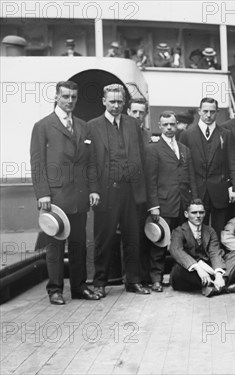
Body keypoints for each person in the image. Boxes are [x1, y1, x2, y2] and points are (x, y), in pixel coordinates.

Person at [30, 81, 100, 304]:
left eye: (73, 97)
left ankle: (79, 288)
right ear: (57, 97)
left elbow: (90, 162)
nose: (70, 101)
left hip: (80, 196)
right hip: (56, 198)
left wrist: (93, 189)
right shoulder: (43, 126)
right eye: (65, 97)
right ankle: (55, 289)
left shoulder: (83, 126)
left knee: (79, 244)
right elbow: (38, 163)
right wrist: (43, 194)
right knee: (55, 246)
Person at [87, 84, 150, 297]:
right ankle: (99, 283)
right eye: (112, 101)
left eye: (119, 102)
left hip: (131, 191)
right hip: (106, 192)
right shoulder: (92, 126)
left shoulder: (133, 124)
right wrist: (93, 190)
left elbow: (141, 157)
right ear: (104, 101)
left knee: (133, 238)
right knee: (103, 239)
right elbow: (91, 162)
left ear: (125, 103)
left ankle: (133, 281)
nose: (116, 105)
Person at [145, 111, 196, 292]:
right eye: (165, 125)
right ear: (160, 126)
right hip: (164, 204)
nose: (169, 128)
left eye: (172, 124)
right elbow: (150, 180)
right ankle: (156, 279)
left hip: (183, 204)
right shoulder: (153, 149)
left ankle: (179, 277)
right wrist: (154, 206)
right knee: (159, 243)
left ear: (176, 125)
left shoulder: (184, 149)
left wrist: (194, 203)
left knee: (182, 243)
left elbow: (191, 178)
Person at [179, 97, 235, 235]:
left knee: (220, 230)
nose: (208, 115)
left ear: (217, 112)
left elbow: (233, 162)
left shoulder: (226, 134)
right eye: (205, 111)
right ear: (199, 111)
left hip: (220, 190)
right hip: (196, 191)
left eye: (212, 111)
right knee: (197, 230)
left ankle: (218, 255)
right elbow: (182, 167)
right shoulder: (186, 135)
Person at [170, 199, 235, 297]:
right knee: (178, 269)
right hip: (191, 274)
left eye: (201, 212)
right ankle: (224, 288)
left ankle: (216, 285)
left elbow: (214, 252)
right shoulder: (179, 231)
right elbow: (176, 251)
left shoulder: (210, 231)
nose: (198, 216)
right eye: (194, 213)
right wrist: (197, 268)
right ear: (186, 214)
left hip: (209, 270)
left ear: (205, 213)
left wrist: (218, 274)